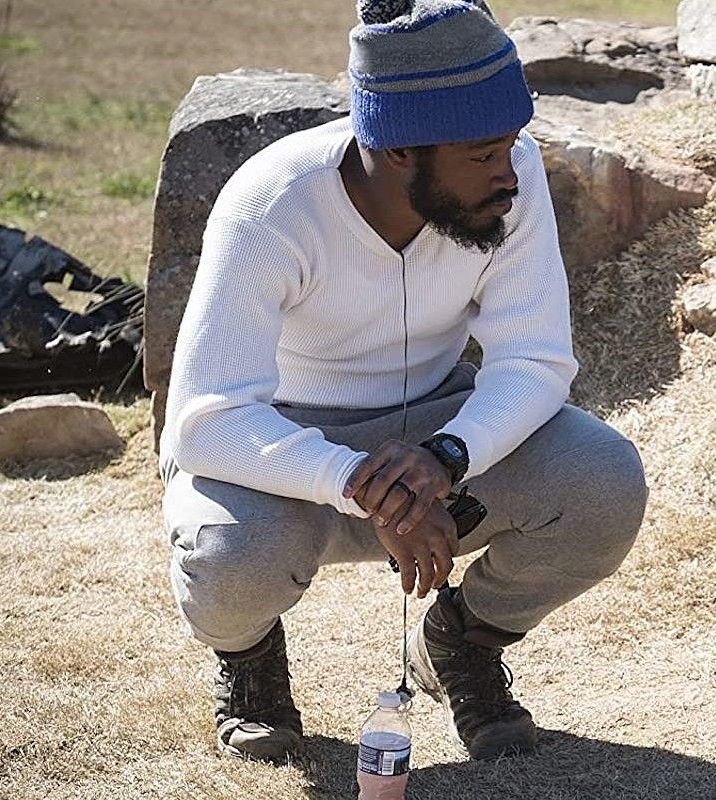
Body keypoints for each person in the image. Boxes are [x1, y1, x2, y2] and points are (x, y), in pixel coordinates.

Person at [160, 0, 648, 764]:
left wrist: (448, 456)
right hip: (282, 447)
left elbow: (536, 360)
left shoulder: (506, 175)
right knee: (230, 556)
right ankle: (250, 664)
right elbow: (204, 419)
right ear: (396, 151)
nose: (509, 173)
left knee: (604, 481)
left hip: (436, 429)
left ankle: (461, 642)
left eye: (511, 145)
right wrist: (364, 482)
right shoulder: (273, 204)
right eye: (483, 153)